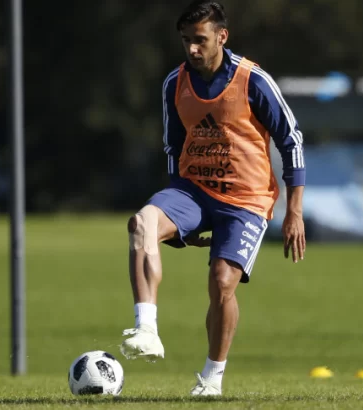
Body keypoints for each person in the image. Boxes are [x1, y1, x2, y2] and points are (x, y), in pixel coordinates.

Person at [120, 0, 306, 397]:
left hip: (247, 200)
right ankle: (146, 328)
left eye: (200, 40)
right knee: (142, 223)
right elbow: (173, 148)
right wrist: (176, 216)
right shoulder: (175, 83)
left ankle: (211, 378)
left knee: (222, 282)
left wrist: (294, 211)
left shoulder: (253, 80)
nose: (191, 49)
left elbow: (291, 140)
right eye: (185, 40)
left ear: (222, 37)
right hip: (193, 190)